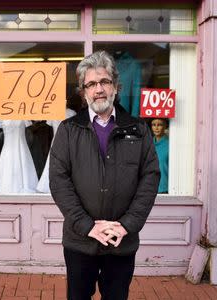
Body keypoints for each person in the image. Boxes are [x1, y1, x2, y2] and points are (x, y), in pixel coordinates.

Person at [49, 50, 160, 300]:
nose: (98, 89)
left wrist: (127, 225)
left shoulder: (138, 129)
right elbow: (58, 181)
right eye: (91, 84)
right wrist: (87, 225)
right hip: (80, 242)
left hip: (121, 241)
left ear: (115, 87)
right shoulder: (68, 130)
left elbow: (150, 178)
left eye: (104, 82)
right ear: (83, 91)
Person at [150, 118, 169, 193]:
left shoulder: (170, 145)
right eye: (154, 125)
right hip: (149, 190)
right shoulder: (148, 144)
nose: (156, 128)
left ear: (165, 126)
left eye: (160, 125)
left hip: (165, 189)